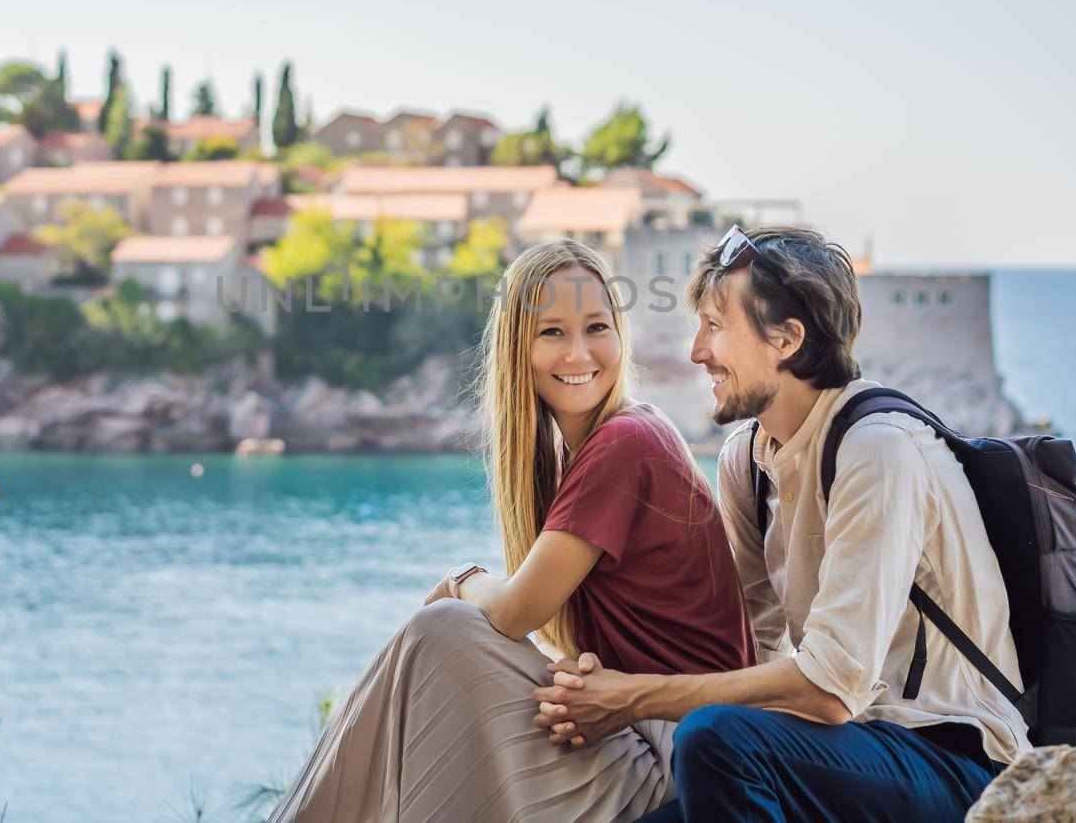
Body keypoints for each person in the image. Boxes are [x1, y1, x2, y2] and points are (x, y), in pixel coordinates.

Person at [533, 226, 1029, 823]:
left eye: (715, 327)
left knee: (716, 738)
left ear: (787, 339)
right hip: (844, 754)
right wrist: (589, 681)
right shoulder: (749, 457)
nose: (696, 351)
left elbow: (829, 688)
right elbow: (741, 652)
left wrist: (632, 697)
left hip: (956, 762)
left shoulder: (879, 450)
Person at [268, 239, 756, 822]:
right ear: (517, 348)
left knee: (444, 628)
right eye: (552, 332)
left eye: (596, 326)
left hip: (679, 754)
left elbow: (516, 612)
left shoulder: (628, 441)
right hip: (635, 730)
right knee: (440, 650)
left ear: (620, 336)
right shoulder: (590, 450)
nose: (579, 352)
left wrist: (461, 578)